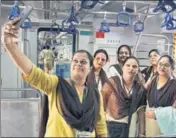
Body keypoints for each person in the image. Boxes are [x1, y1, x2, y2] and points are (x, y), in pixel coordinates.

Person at [1, 18, 107, 137]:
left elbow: (100, 124)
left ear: (90, 67)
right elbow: (33, 73)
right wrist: (9, 44)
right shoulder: (56, 84)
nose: (78, 64)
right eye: (75, 61)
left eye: (83, 62)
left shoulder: (95, 93)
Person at [102, 56, 146, 137]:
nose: (131, 68)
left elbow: (141, 112)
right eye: (128, 65)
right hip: (109, 126)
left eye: (134, 66)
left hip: (129, 127)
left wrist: (142, 134)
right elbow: (101, 105)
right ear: (122, 67)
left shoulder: (140, 88)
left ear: (137, 70)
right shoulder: (112, 82)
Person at [145, 55, 176, 137]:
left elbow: (174, 109)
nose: (162, 67)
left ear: (172, 68)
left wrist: (157, 114)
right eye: (160, 64)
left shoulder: (174, 84)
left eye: (166, 65)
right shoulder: (153, 80)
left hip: (166, 124)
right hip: (150, 122)